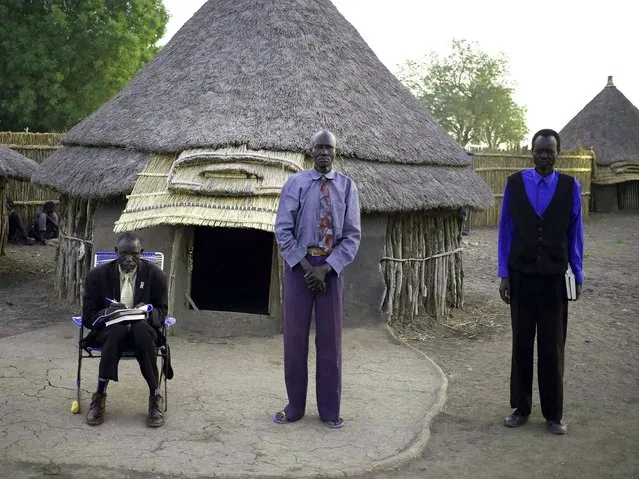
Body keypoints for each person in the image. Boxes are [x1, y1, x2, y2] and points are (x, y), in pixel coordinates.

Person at [498, 129, 584, 435]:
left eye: (549, 151)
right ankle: (520, 408)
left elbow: (575, 233)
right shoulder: (514, 184)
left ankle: (553, 414)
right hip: (520, 275)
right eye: (539, 151)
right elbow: (505, 230)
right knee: (521, 343)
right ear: (531, 152)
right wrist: (504, 273)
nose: (544, 156)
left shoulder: (570, 186)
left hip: (554, 279)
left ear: (557, 154)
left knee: (552, 346)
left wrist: (578, 272)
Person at [273, 130, 361, 429]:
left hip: (331, 270)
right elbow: (283, 229)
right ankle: (295, 407)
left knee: (331, 342)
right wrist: (305, 266)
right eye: (319, 148)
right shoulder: (295, 184)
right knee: (295, 341)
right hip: (300, 268)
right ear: (310, 151)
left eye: (329, 148)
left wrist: (328, 267)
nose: (324, 152)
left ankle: (329, 411)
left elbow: (352, 236)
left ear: (335, 153)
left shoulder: (348, 188)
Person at [81, 231, 172, 427]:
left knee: (140, 330)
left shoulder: (156, 276)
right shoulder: (97, 277)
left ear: (142, 253)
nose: (129, 259)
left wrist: (147, 311)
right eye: (123, 253)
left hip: (143, 330)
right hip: (109, 332)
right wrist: (107, 312)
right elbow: (88, 316)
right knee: (117, 331)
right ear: (116, 252)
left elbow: (162, 312)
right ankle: (99, 396)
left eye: (134, 254)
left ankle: (155, 397)